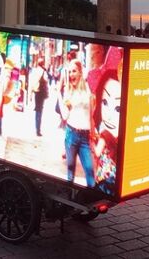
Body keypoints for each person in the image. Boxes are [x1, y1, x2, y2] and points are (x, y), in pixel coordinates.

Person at [60, 59, 95, 187]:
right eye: (69, 72)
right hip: (72, 134)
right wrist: (61, 94)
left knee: (90, 172)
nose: (71, 75)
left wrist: (92, 137)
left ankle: (91, 201)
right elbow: (65, 116)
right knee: (70, 174)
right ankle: (69, 202)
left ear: (80, 72)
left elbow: (91, 116)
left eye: (74, 71)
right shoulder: (68, 91)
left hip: (85, 137)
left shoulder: (88, 90)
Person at [92, 66, 121, 196]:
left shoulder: (104, 134)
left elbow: (97, 153)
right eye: (104, 102)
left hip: (105, 177)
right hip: (114, 176)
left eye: (118, 109)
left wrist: (90, 142)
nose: (108, 115)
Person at [29, 56, 49, 136]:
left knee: (37, 110)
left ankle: (36, 128)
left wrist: (30, 94)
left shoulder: (35, 71)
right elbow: (46, 81)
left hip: (36, 92)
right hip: (41, 93)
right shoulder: (44, 72)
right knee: (40, 110)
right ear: (43, 64)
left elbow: (31, 83)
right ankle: (38, 130)